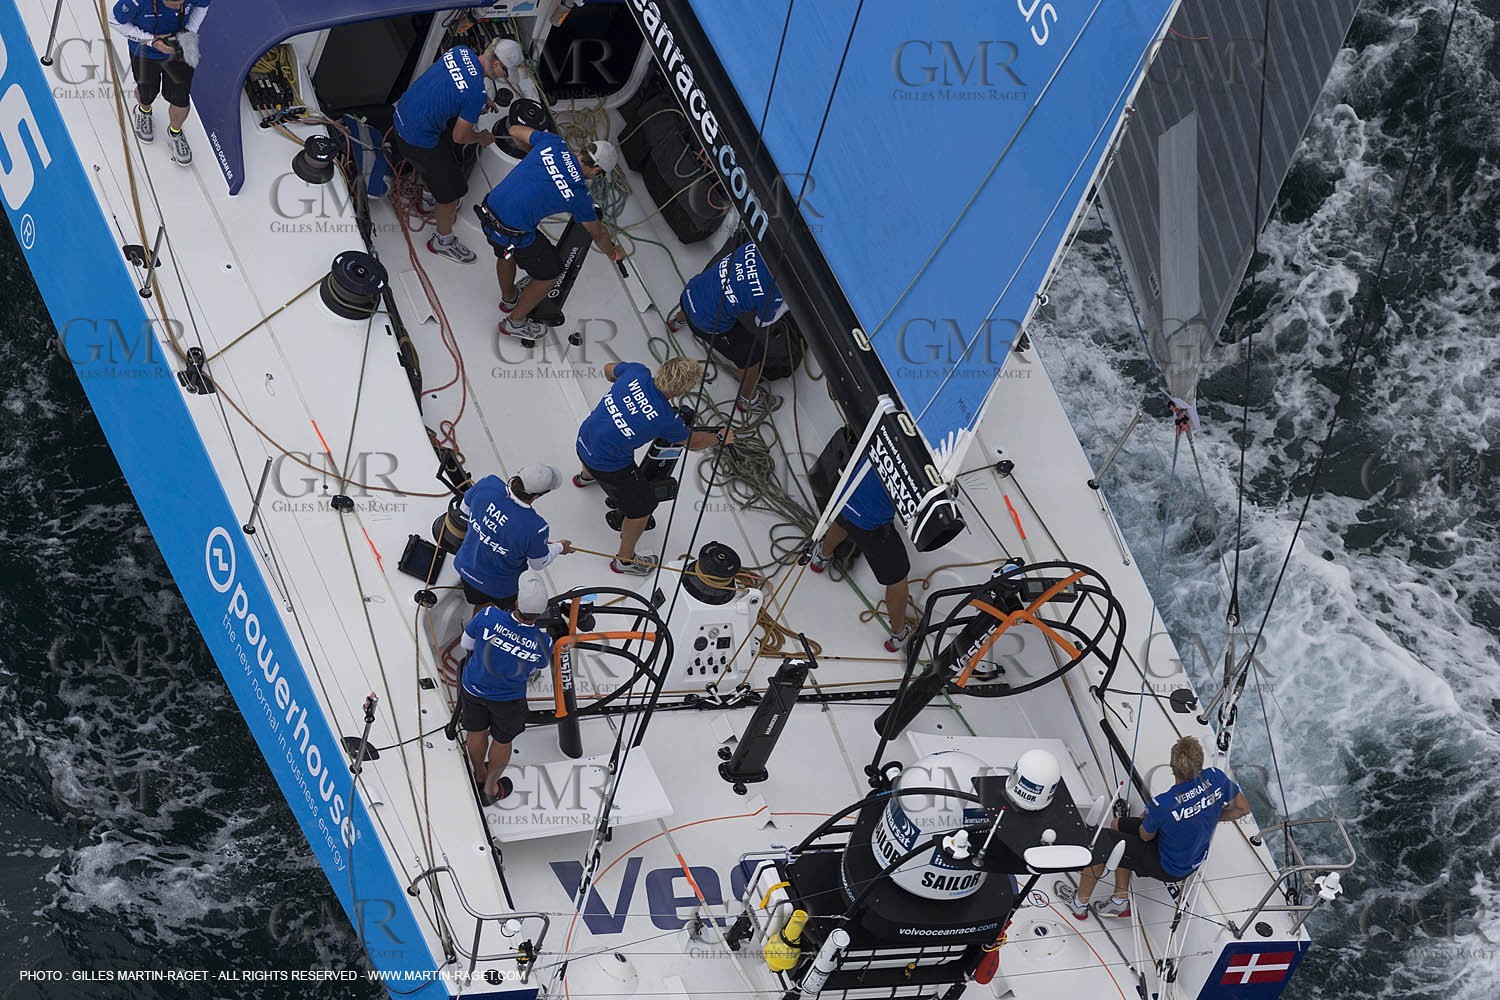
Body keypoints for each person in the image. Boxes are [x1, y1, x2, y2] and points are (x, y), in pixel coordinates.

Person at [573, 357, 733, 575]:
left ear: (663, 369)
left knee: (603, 441)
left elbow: (608, 369)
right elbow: (693, 442)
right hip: (607, 465)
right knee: (643, 507)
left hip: (584, 439)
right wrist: (720, 437)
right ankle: (625, 561)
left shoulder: (636, 371)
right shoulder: (667, 419)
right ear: (681, 391)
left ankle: (585, 478)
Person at [1070, 735, 1251, 919]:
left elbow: (1145, 836)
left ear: (1173, 769)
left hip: (1168, 866)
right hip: (1194, 858)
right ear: (1200, 764)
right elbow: (1243, 808)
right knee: (1118, 825)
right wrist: (1210, 814)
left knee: (1101, 844)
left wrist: (1151, 817)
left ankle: (1079, 904)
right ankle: (1119, 899)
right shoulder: (1216, 777)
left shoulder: (1162, 804)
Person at [480, 125, 623, 341]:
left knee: (505, 252)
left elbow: (514, 131)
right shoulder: (579, 194)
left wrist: (535, 155)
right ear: (596, 171)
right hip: (513, 231)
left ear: (584, 151)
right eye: (600, 175)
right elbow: (598, 234)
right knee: (551, 273)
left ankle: (509, 298)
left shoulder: (554, 144)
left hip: (489, 210)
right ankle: (515, 321)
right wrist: (614, 252)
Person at [392, 41, 511, 264]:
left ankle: (426, 201)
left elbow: (451, 83)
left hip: (401, 115)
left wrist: (480, 99)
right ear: (497, 64)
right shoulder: (475, 93)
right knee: (453, 190)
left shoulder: (461, 51)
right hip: (415, 139)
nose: (505, 77)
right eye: (506, 71)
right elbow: (460, 137)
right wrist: (481, 138)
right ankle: (442, 242)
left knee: (443, 155)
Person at [459, 571, 553, 804]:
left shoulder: (489, 615)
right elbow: (536, 668)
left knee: (476, 732)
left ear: (517, 602)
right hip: (508, 701)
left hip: (474, 688)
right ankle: (490, 789)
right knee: (502, 741)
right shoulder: (544, 642)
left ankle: (479, 772)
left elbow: (466, 644)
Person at [808, 461, 912, 652]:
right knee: (897, 579)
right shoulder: (922, 463)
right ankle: (898, 633)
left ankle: (821, 558)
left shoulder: (883, 433)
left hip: (843, 498)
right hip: (871, 526)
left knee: (845, 519)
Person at [680, 241, 790, 413]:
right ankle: (747, 400)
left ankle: (676, 322)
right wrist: (785, 304)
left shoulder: (753, 247)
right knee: (752, 357)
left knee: (707, 294)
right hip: (706, 325)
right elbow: (762, 322)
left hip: (688, 294)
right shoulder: (774, 291)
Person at [453, 464, 573, 608]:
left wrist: (489, 528)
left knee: (479, 602)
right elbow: (538, 563)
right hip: (501, 589)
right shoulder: (536, 528)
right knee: (504, 609)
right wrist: (560, 547)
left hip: (465, 569)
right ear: (536, 496)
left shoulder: (488, 484)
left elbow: (464, 510)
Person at [109, 0, 211, 166]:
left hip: (180, 51)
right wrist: (150, 40)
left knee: (181, 98)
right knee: (146, 93)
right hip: (144, 53)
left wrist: (189, 31)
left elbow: (203, 5)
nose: (180, 7)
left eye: (182, 2)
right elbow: (114, 20)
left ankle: (175, 132)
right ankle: (144, 110)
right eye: (174, 3)